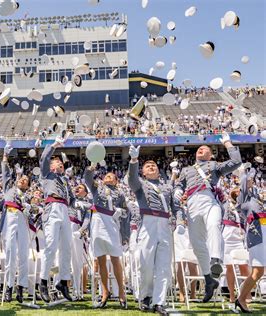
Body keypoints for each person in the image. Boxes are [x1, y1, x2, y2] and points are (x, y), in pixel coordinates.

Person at [174, 133, 241, 302]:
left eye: (205, 149)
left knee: (213, 226)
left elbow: (236, 162)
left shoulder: (215, 165)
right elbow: (179, 185)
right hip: (192, 205)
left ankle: (216, 260)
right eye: (199, 148)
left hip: (209, 200)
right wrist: (178, 192)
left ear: (211, 155)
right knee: (197, 244)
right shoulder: (186, 170)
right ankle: (209, 279)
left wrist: (227, 143)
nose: (201, 149)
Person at [128, 145, 176, 316]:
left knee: (163, 266)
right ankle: (146, 295)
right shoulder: (141, 184)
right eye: (147, 166)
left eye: (154, 165)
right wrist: (134, 160)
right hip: (147, 222)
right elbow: (131, 180)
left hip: (164, 223)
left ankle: (159, 302)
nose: (151, 166)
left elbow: (174, 206)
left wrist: (177, 219)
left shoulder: (168, 187)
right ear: (144, 172)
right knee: (146, 263)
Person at [84, 167, 127, 308]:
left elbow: (126, 213)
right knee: (101, 260)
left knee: (115, 259)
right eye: (106, 176)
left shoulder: (120, 194)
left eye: (111, 177)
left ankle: (121, 292)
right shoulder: (97, 188)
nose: (108, 178)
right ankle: (104, 292)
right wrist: (91, 168)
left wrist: (121, 212)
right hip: (97, 221)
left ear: (116, 181)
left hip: (111, 223)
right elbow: (88, 178)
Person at [39, 137, 75, 302]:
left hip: (64, 209)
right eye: (57, 163)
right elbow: (44, 158)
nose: (60, 164)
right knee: (51, 246)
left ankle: (63, 282)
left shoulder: (65, 180)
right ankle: (44, 281)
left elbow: (72, 199)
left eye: (61, 163)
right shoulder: (47, 174)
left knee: (67, 246)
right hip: (52, 207)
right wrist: (53, 145)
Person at [1, 144, 31, 303]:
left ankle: (21, 287)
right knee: (10, 254)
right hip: (10, 215)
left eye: (26, 180)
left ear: (28, 185)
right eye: (21, 178)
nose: (23, 180)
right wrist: (5, 156)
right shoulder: (9, 187)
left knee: (24, 255)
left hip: (22, 219)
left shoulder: (29, 195)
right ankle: (8, 287)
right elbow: (5, 172)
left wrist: (29, 209)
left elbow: (34, 211)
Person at [235, 171, 265, 313]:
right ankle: (241, 299)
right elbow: (245, 182)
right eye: (247, 180)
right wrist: (246, 172)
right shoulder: (243, 198)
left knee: (258, 272)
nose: (250, 181)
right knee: (258, 271)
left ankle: (240, 299)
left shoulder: (257, 197)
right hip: (256, 232)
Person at [222, 187, 249, 305]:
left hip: (239, 235)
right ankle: (232, 295)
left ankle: (246, 294)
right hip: (227, 234)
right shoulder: (225, 203)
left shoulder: (244, 204)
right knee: (229, 267)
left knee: (243, 266)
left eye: (240, 191)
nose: (237, 193)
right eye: (236, 191)